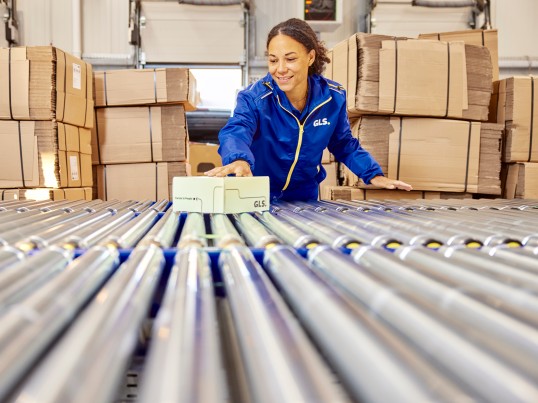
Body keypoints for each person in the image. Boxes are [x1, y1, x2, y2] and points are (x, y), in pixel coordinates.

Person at [205, 18, 412, 201]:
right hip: (256, 195)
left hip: (304, 199)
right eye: (273, 60)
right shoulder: (254, 98)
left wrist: (373, 174)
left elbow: (343, 144)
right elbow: (236, 130)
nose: (281, 69)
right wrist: (238, 159)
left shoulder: (333, 97)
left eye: (291, 58)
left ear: (310, 57)